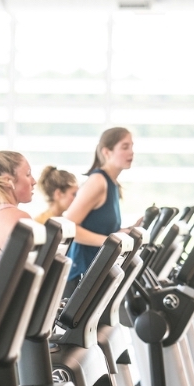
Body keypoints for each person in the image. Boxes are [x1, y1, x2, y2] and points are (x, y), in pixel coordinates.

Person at [63, 127, 135, 296]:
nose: (131, 152)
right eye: (125, 147)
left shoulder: (112, 184)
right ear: (107, 152)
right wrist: (110, 242)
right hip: (80, 276)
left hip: (98, 271)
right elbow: (69, 227)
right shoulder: (98, 181)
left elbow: (99, 227)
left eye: (132, 146)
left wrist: (120, 233)